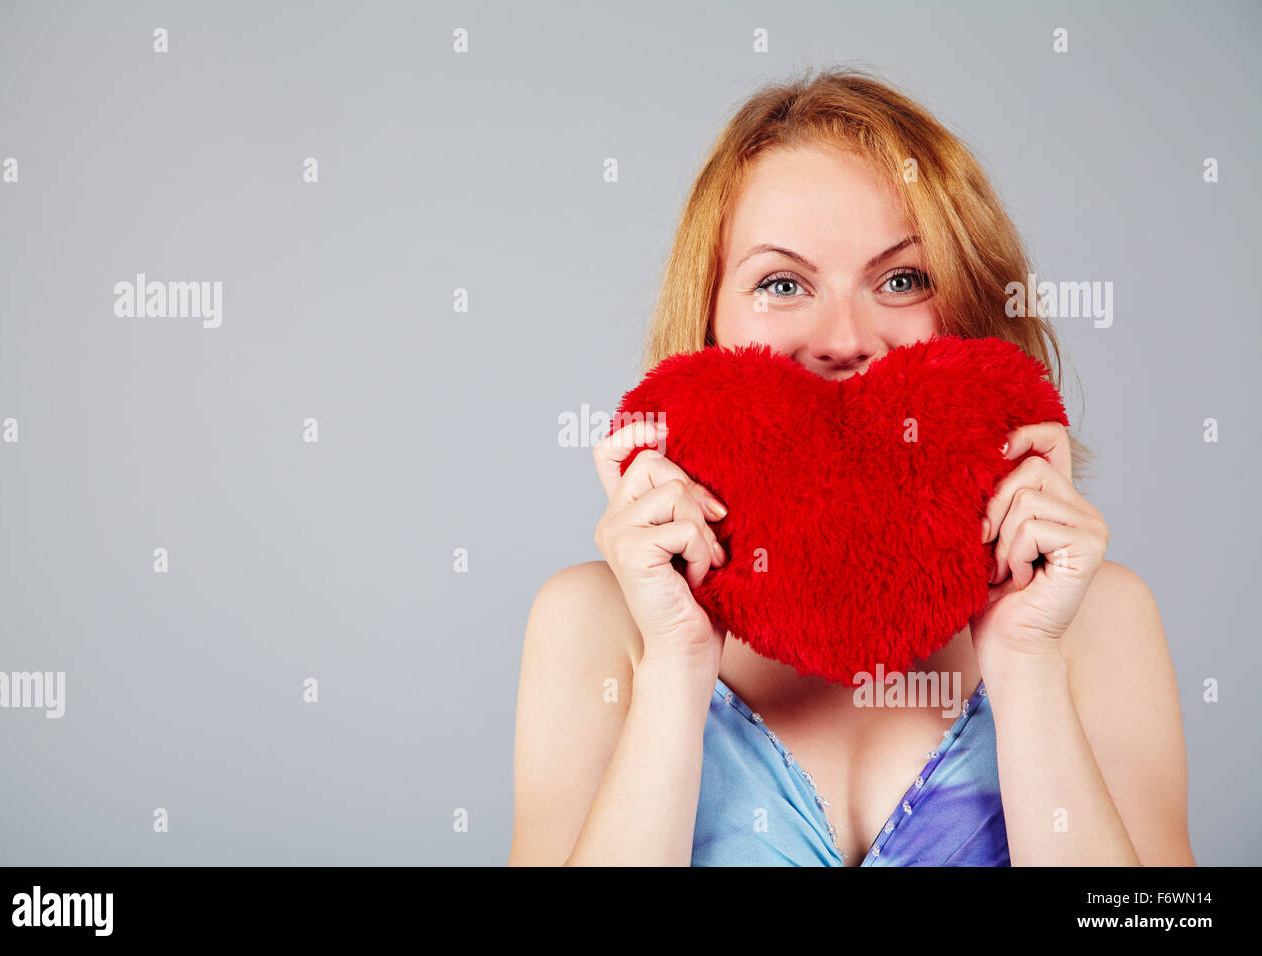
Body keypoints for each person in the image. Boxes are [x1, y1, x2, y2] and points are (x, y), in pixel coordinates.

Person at [509, 66, 1194, 866]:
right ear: (709, 323)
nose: (843, 337)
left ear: (969, 309)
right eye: (781, 282)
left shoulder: (1096, 618)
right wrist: (677, 662)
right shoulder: (597, 622)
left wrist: (1027, 663)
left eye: (902, 279)